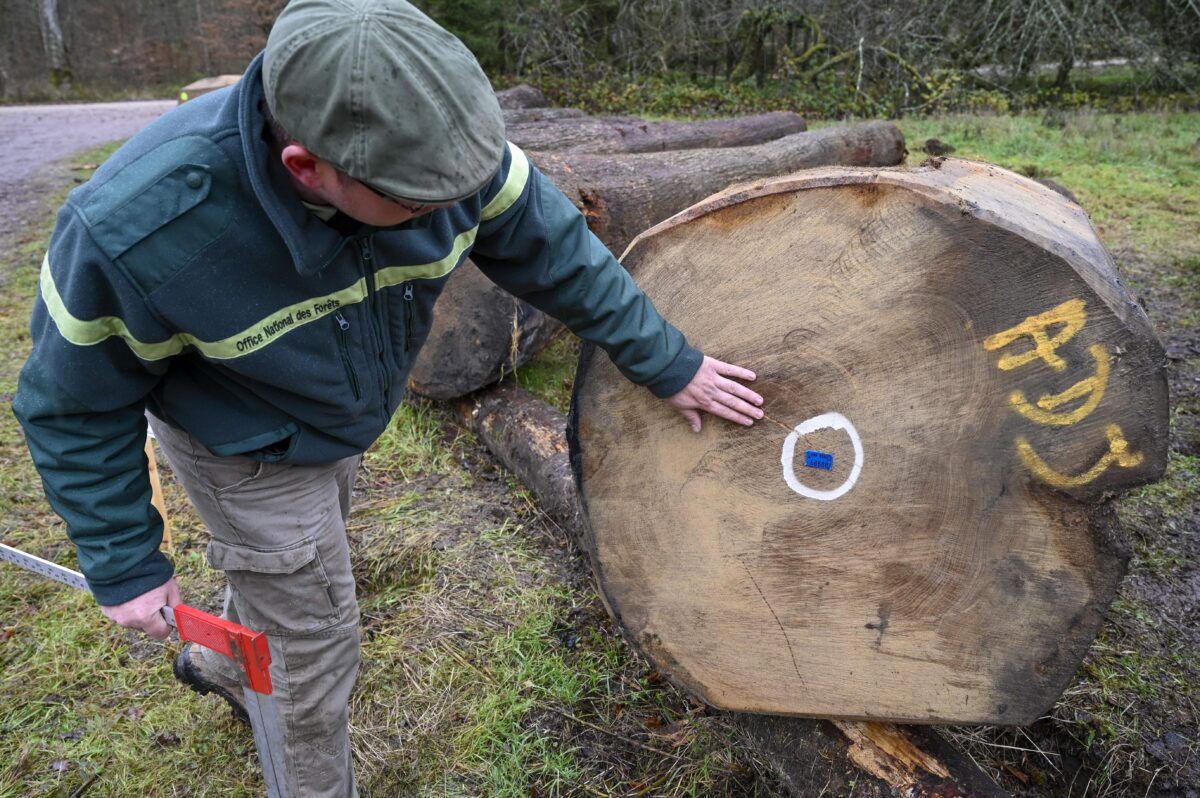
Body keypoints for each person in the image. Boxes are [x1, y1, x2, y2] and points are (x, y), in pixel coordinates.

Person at [13, 1, 763, 795]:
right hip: (243, 441)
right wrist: (124, 560)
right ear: (308, 167)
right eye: (422, 203)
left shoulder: (445, 150)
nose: (457, 208)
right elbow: (72, 404)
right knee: (310, 648)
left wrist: (666, 361)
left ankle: (224, 665)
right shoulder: (138, 231)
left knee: (293, 566)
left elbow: (558, 251)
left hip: (337, 410)